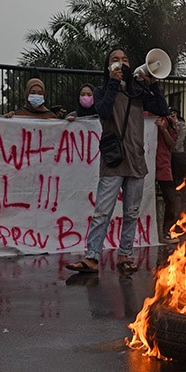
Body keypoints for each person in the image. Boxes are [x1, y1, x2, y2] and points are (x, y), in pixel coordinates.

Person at [65, 47, 168, 273]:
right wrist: (113, 83)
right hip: (113, 160)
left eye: (124, 59)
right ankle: (92, 257)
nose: (120, 63)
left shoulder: (138, 93)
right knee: (103, 211)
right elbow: (102, 111)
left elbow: (162, 109)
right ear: (108, 66)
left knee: (131, 213)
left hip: (136, 160)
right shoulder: (102, 91)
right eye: (114, 60)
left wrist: (152, 84)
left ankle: (125, 255)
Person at [155, 109, 179, 243]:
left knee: (171, 200)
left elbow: (173, 143)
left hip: (163, 165)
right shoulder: (137, 114)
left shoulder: (168, 121)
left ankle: (166, 232)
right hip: (142, 165)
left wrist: (164, 130)